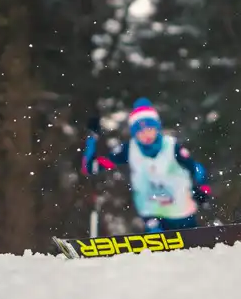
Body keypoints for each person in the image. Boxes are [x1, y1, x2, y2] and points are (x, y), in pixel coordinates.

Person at [82, 98, 214, 232]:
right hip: (153, 215)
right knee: (157, 239)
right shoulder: (128, 150)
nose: (146, 134)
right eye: (140, 130)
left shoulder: (172, 146)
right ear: (134, 133)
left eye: (150, 128)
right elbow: (91, 168)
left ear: (157, 128)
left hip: (183, 212)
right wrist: (92, 138)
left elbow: (196, 169)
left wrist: (202, 188)